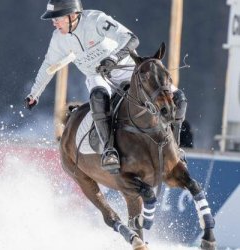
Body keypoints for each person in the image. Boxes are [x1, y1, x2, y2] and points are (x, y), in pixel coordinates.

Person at [24, 0, 188, 174]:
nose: (54, 22)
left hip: (126, 69)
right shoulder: (59, 39)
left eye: (57, 18)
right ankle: (109, 151)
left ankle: (175, 149)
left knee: (179, 99)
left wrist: (113, 59)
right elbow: (48, 65)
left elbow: (132, 39)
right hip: (98, 76)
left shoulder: (96, 20)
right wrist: (34, 94)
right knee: (98, 97)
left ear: (72, 15)